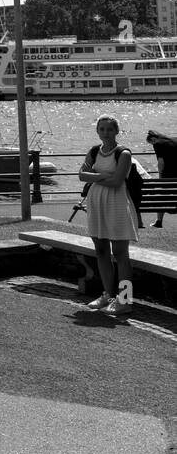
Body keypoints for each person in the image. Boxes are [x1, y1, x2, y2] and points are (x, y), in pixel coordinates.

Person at [78, 114, 138, 316]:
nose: (105, 133)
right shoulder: (94, 151)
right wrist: (104, 176)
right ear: (97, 131)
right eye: (102, 129)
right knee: (101, 249)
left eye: (109, 129)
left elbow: (117, 182)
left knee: (121, 254)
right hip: (97, 203)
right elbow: (81, 175)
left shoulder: (123, 153)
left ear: (116, 131)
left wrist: (94, 177)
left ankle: (125, 299)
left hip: (117, 203)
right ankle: (108, 295)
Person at [145, 129, 177, 228]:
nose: (152, 144)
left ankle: (159, 221)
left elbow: (161, 162)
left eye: (150, 143)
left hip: (168, 174)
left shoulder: (158, 144)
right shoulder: (174, 139)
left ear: (153, 139)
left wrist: (160, 177)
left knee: (162, 196)